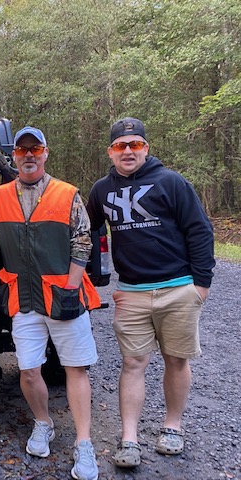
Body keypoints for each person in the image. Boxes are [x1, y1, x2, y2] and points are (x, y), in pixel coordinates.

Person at [0, 126, 101, 480]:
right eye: (22, 150)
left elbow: (83, 239)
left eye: (34, 149)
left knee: (75, 368)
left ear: (45, 153)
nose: (28, 156)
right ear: (14, 157)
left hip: (64, 297)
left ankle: (84, 444)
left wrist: (71, 284)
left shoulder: (67, 193)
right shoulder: (0, 195)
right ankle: (43, 423)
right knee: (27, 370)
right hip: (24, 300)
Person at [86, 117, 215, 468]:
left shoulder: (171, 182)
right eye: (120, 146)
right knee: (132, 363)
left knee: (176, 359)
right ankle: (129, 439)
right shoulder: (100, 190)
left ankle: (172, 427)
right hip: (131, 293)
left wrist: (200, 285)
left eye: (135, 144)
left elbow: (200, 231)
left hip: (178, 288)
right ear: (111, 152)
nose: (128, 151)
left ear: (146, 148)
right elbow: (86, 229)